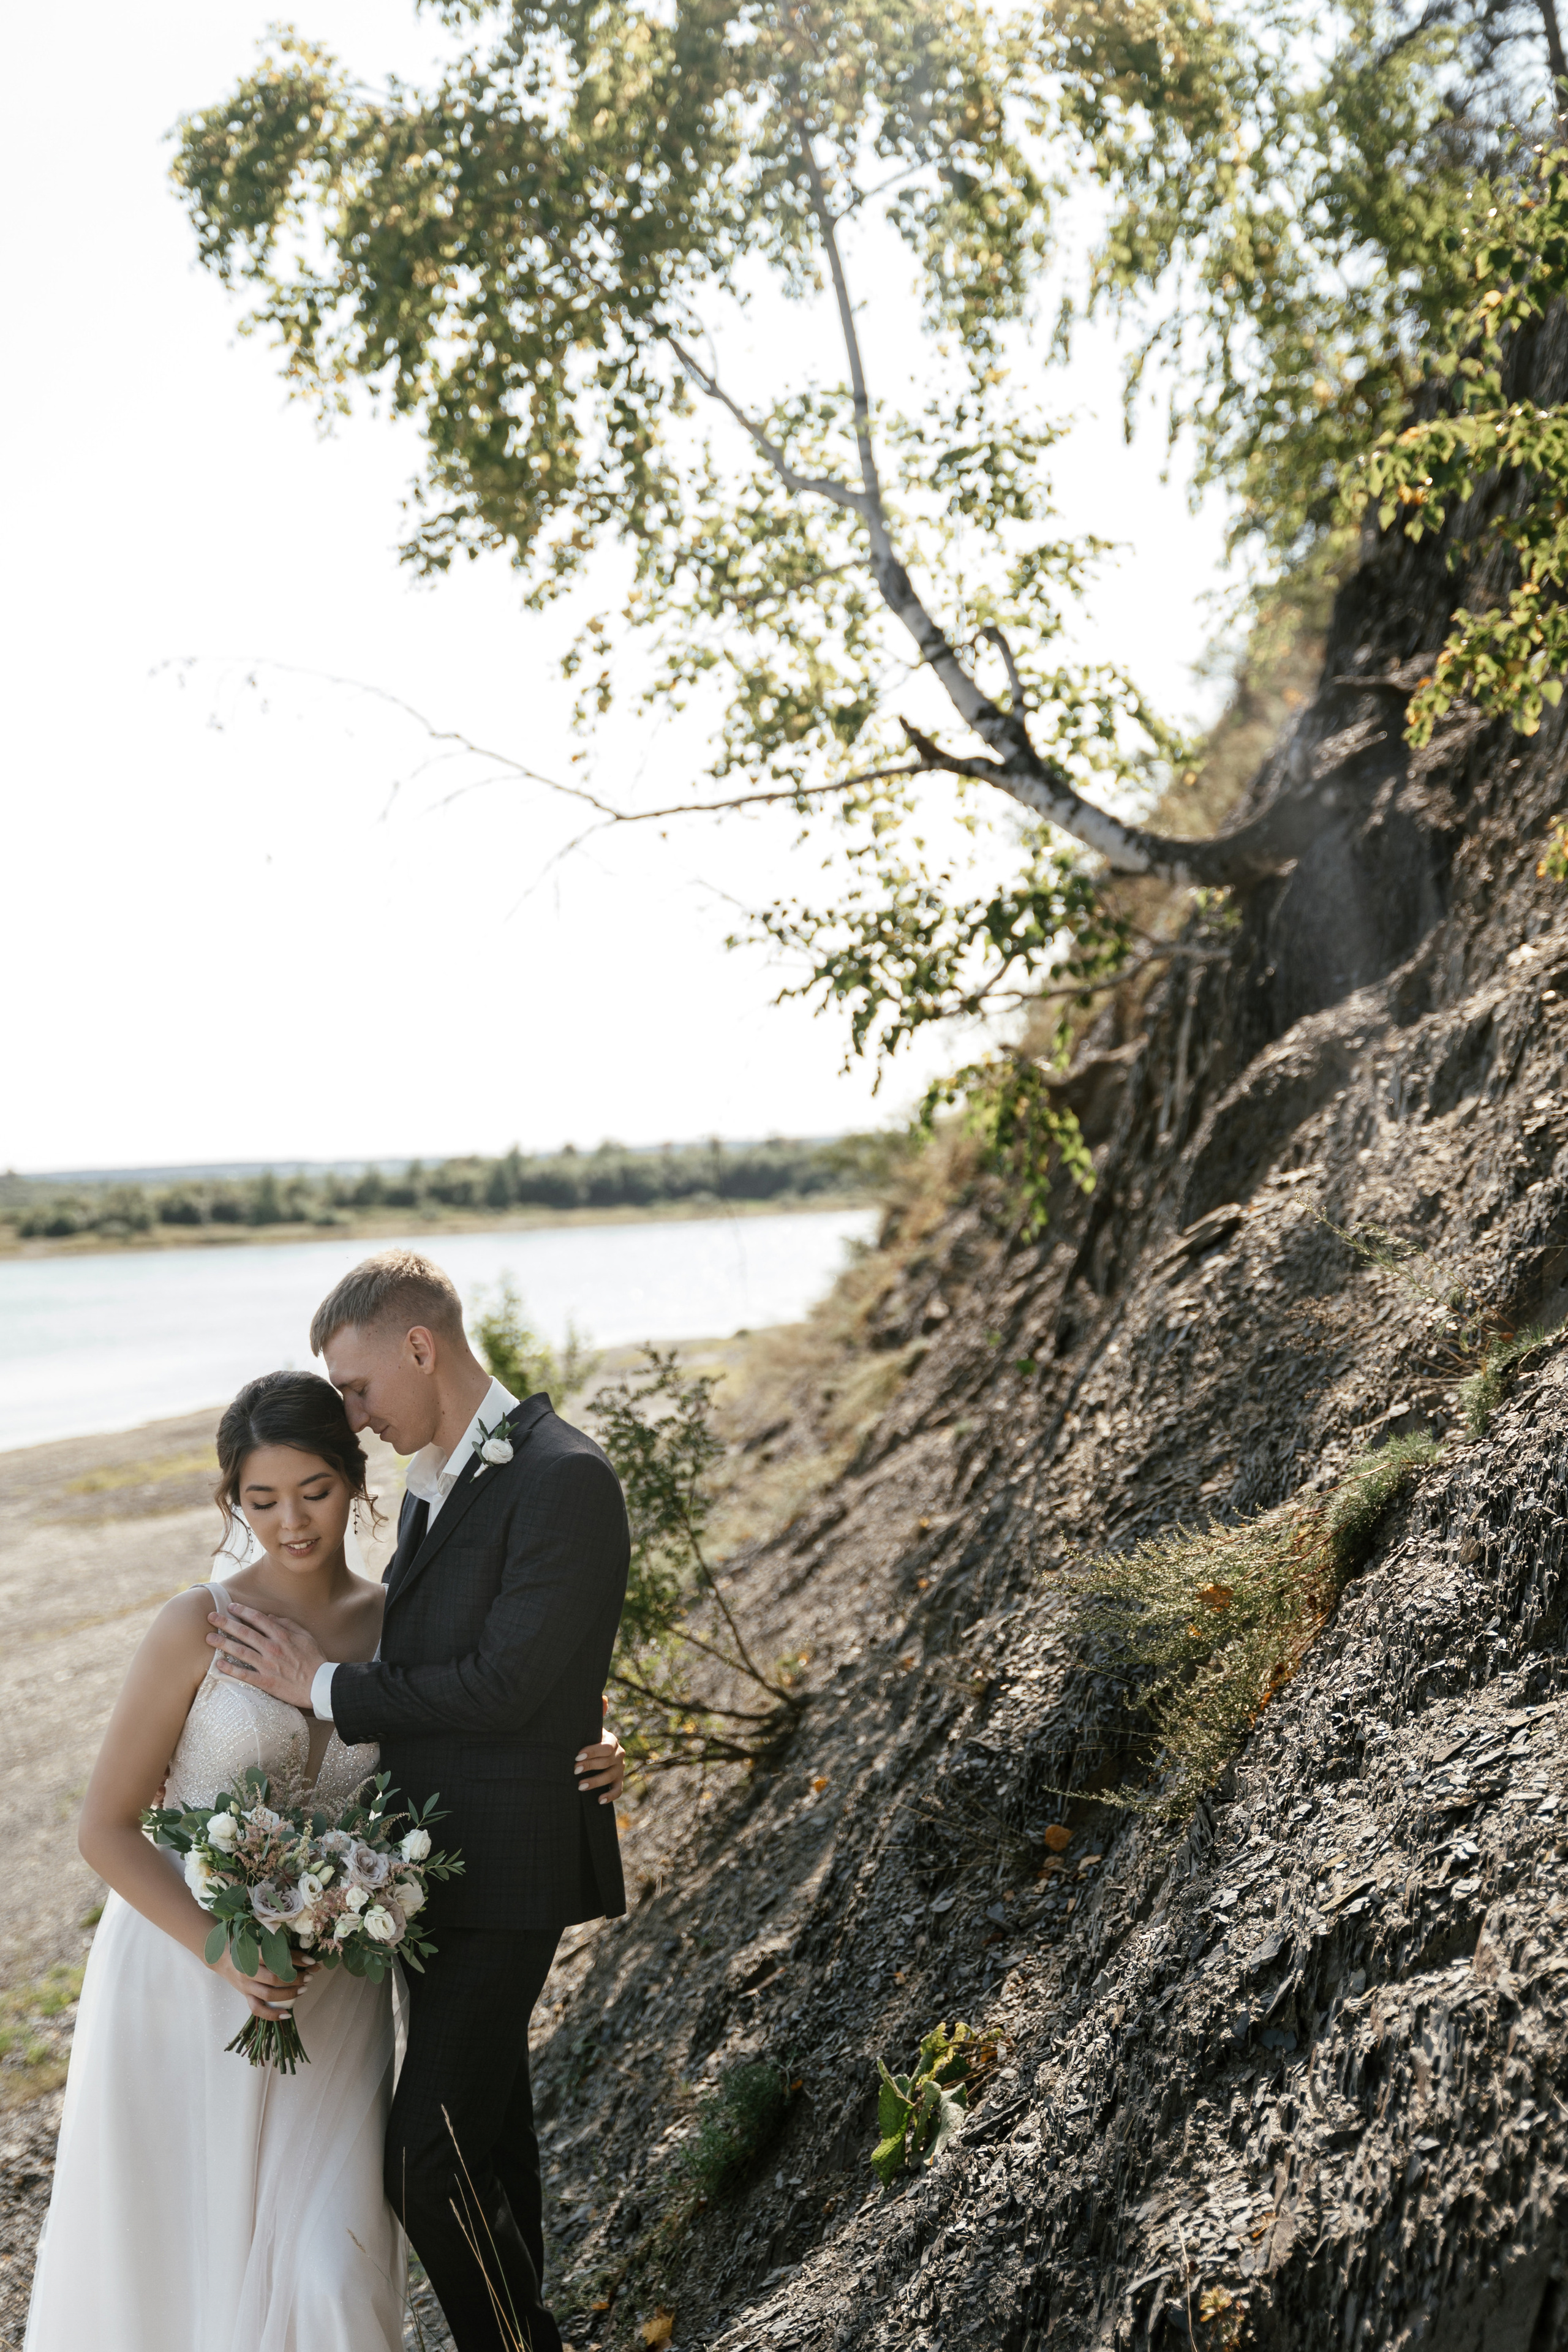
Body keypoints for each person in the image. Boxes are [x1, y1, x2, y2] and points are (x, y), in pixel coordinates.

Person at [23, 1360, 626, 2351]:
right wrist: (222, 1949)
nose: (292, 1521)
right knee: (179, 2260)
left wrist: (597, 1745)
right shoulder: (196, 1625)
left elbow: (493, 1702)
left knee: (328, 2269)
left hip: (335, 1998)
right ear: (232, 1501)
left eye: (314, 1491)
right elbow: (106, 1827)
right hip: (186, 1981)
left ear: (355, 1481)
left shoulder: (397, 1623)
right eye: (261, 1500)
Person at [202, 1250, 631, 2352]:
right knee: (488, 2141)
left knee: (421, 2156)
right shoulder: (442, 1483)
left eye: (356, 1388)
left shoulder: (561, 1473)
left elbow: (510, 1679)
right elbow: (505, 1659)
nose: (351, 1419)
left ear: (421, 1347)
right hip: (436, 1873)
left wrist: (324, 1687)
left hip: (513, 1870)